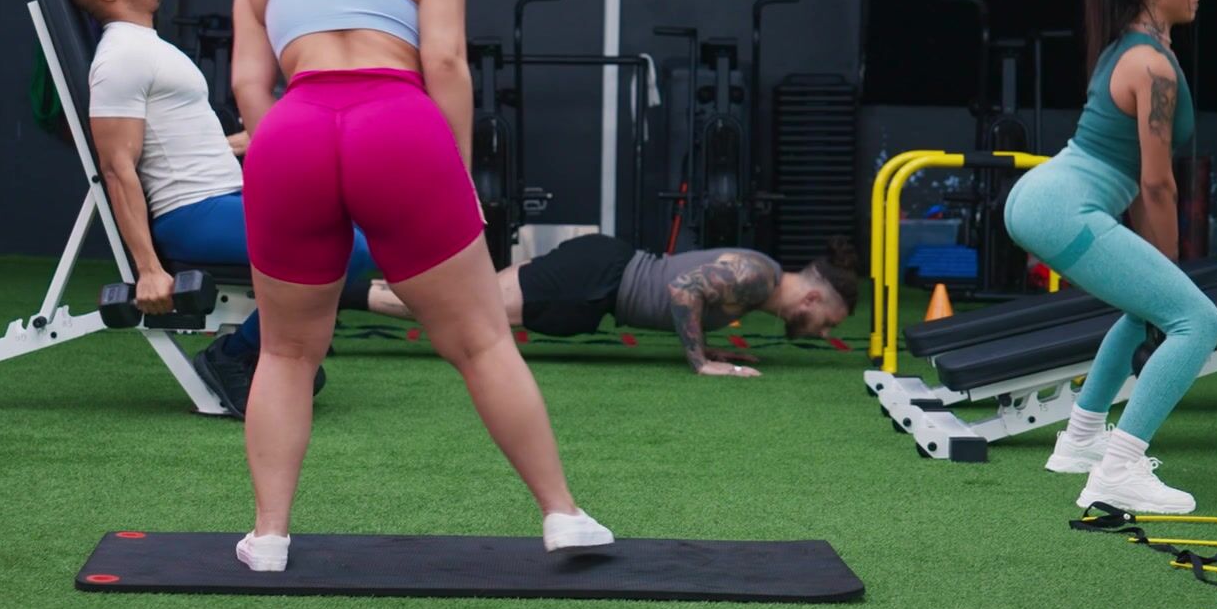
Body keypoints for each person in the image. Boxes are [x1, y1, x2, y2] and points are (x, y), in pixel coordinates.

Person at [229, 0, 611, 572]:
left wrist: (283, 150)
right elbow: (443, 64)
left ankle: (268, 537)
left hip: (292, 135)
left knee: (286, 349)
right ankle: (562, 515)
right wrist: (456, 170)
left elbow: (247, 83)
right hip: (395, 128)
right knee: (481, 339)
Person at [61, 0, 377, 417]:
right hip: (192, 214)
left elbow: (175, 143)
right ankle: (234, 356)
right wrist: (149, 269)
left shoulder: (148, 47)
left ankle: (267, 351)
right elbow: (116, 168)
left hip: (223, 197)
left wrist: (251, 140)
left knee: (353, 232)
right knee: (347, 248)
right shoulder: (120, 57)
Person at [1003, 0, 1215, 514]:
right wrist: (1172, 266)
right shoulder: (1152, 66)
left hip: (1046, 198)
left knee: (1147, 309)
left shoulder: (1131, 49)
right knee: (1197, 320)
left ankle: (1082, 439)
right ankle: (1119, 469)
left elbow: (1140, 180)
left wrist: (1159, 277)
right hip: (1059, 204)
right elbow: (1156, 183)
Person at [352, 235, 860, 377]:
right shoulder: (760, 275)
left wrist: (712, 348)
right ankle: (341, 298)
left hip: (599, 273)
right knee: (467, 313)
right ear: (813, 297)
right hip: (595, 281)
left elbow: (694, 292)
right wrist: (700, 362)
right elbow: (684, 289)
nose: (820, 332)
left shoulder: (760, 282)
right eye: (826, 323)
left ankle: (345, 293)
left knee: (465, 300)